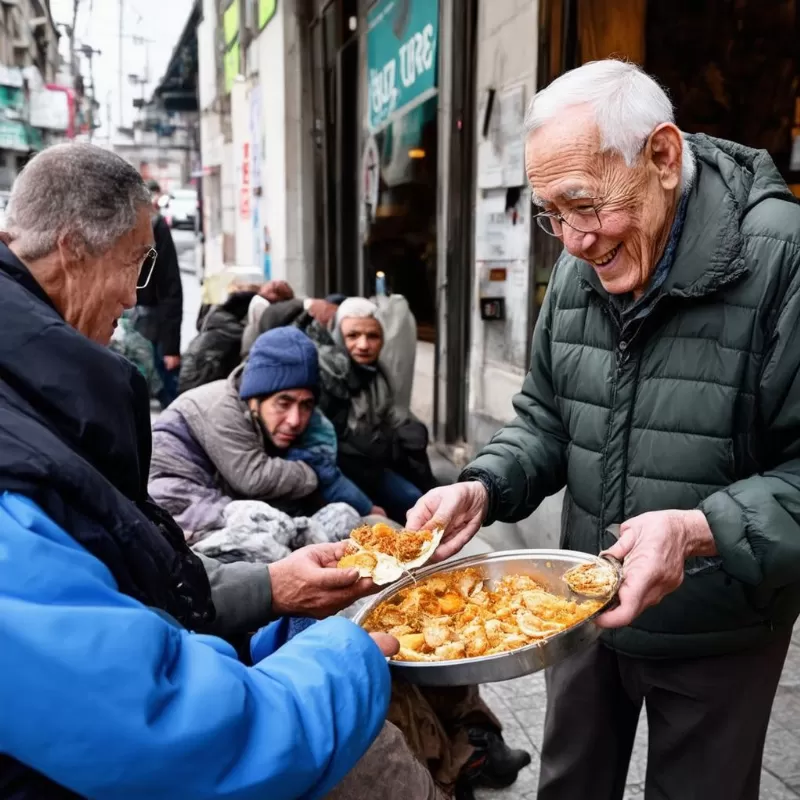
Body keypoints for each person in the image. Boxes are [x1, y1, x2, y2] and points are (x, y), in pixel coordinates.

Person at [408, 59, 800, 800]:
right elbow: (548, 418)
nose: (574, 241)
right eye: (550, 213)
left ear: (662, 156)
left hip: (721, 624)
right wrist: (482, 487)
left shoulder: (782, 256)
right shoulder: (579, 265)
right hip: (583, 608)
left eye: (583, 205)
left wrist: (696, 530)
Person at [0, 142, 397, 799]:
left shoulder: (42, 399)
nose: (136, 294)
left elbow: (122, 563)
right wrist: (353, 658)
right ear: (72, 250)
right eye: (136, 263)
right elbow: (169, 735)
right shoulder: (23, 456)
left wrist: (270, 586)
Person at [150, 326, 383, 563]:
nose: (295, 420)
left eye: (305, 405)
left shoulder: (295, 421)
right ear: (255, 398)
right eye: (283, 403)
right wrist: (312, 472)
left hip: (217, 500)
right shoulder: (220, 406)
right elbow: (254, 478)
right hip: (175, 505)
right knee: (276, 554)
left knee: (343, 517)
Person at [318, 297, 438, 523]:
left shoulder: (380, 375)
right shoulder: (327, 374)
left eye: (372, 336)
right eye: (353, 336)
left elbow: (390, 417)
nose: (363, 345)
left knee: (417, 502)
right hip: (337, 471)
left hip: (372, 465)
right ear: (339, 337)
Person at [131, 179, 183, 407]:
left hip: (150, 324)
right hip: (136, 323)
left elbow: (170, 286)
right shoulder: (152, 226)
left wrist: (171, 347)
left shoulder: (156, 227)